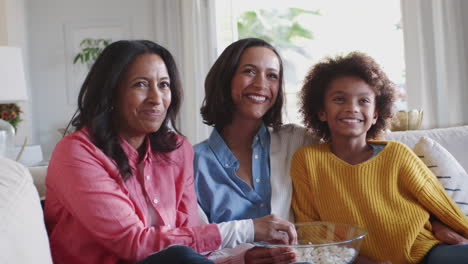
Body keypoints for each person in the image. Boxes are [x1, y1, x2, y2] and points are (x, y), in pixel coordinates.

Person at [194, 38, 468, 264]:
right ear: (226, 77)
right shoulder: (192, 163)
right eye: (249, 71)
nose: (261, 84)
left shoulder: (297, 141)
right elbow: (194, 243)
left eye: (272, 75)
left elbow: (368, 170)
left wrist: (438, 225)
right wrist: (242, 257)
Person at [44, 40, 294, 264]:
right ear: (111, 93)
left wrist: (243, 259)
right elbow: (134, 243)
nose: (156, 98)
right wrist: (247, 229)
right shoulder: (76, 152)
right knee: (178, 256)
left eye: (163, 85)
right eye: (140, 84)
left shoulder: (176, 150)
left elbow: (191, 240)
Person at [291, 51, 468, 263]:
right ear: (321, 112)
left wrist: (453, 230)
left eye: (364, 100)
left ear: (375, 114)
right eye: (339, 99)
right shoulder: (307, 160)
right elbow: (310, 229)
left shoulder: (397, 154)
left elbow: (440, 204)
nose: (352, 108)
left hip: (424, 251)